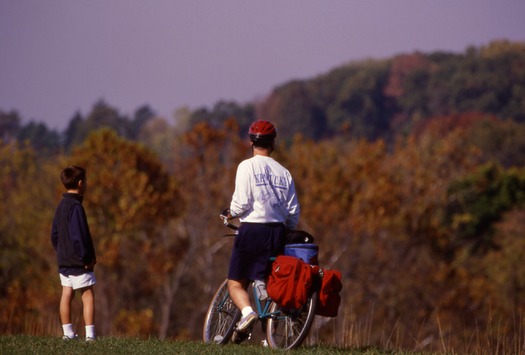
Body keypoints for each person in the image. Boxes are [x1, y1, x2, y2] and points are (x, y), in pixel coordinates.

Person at [225, 120, 300, 337]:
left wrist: (229, 213)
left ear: (251, 142)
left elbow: (241, 203)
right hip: (277, 232)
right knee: (271, 283)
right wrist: (287, 231)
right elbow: (293, 211)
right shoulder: (283, 172)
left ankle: (248, 313)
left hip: (253, 230)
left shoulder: (246, 166)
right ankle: (271, 338)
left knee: (236, 282)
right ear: (273, 143)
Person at [51, 166, 97, 341]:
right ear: (80, 183)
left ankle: (68, 333)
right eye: (85, 180)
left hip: (64, 260)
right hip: (79, 261)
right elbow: (79, 236)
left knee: (66, 293)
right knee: (87, 295)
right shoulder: (76, 207)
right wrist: (86, 258)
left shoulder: (61, 205)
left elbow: (54, 234)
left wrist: (62, 251)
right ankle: (90, 336)